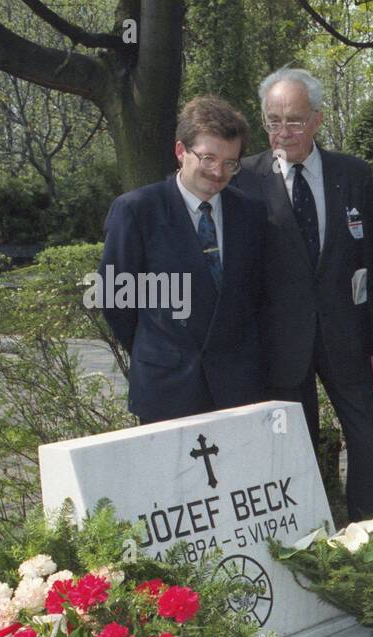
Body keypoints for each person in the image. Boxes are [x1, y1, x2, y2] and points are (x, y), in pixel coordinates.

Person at [230, 67, 373, 520]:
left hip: (346, 337)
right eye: (273, 120)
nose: (284, 132)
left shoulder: (354, 173)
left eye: (295, 120)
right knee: (286, 451)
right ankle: (301, 542)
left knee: (369, 443)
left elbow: (370, 261)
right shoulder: (243, 178)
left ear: (317, 120)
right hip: (278, 344)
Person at [100, 96, 266, 424]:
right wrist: (161, 350)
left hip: (239, 390)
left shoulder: (251, 213)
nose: (218, 172)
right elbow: (117, 301)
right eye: (208, 158)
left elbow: (256, 297)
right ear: (180, 151)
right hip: (168, 389)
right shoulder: (136, 211)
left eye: (230, 162)